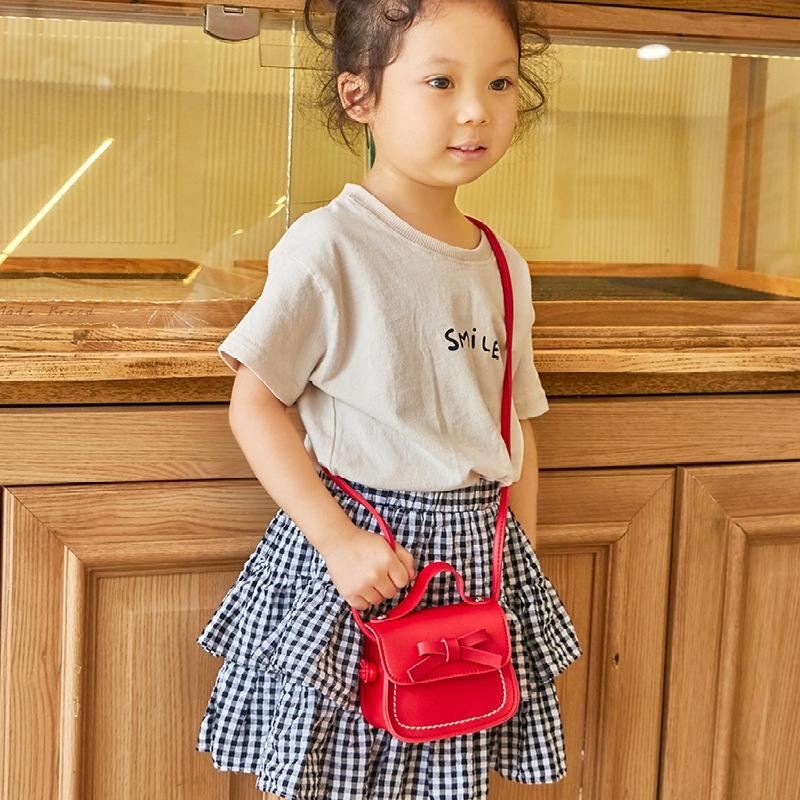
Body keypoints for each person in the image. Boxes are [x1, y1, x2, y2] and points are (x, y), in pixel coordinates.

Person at [195, 0, 582, 797]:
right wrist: (338, 543)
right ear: (359, 96)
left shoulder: (504, 265)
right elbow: (254, 404)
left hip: (480, 559)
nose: (476, 110)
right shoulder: (329, 245)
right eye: (441, 81)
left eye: (500, 82)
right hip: (367, 558)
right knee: (343, 773)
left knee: (445, 766)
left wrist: (522, 555)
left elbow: (514, 427)